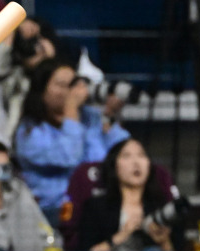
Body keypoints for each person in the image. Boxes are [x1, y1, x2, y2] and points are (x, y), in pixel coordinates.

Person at [14, 58, 130, 226]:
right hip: (54, 212)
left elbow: (120, 153)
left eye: (74, 84)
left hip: (96, 206)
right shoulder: (29, 132)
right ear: (41, 91)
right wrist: (71, 110)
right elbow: (68, 157)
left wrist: (110, 116)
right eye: (62, 85)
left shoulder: (89, 117)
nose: (71, 91)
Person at [78, 138, 183, 251]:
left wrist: (164, 241)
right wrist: (121, 235)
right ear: (114, 166)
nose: (136, 162)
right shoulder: (96, 207)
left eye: (141, 155)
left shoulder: (164, 209)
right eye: (126, 156)